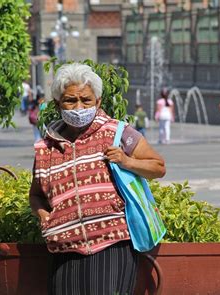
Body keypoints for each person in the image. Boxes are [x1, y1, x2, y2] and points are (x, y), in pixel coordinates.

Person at [29, 63, 166, 295]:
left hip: (111, 243)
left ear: (98, 102)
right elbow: (36, 194)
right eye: (71, 101)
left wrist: (126, 161)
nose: (79, 107)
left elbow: (158, 167)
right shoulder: (46, 147)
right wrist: (44, 215)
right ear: (57, 104)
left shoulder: (118, 133)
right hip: (65, 245)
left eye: (86, 100)